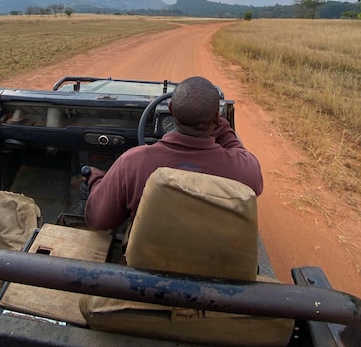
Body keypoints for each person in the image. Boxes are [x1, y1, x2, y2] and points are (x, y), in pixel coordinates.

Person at [84, 75, 263, 231]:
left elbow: (98, 220)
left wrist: (95, 180)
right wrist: (221, 125)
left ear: (170, 110)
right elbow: (236, 149)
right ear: (216, 118)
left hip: (148, 263)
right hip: (215, 263)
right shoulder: (245, 170)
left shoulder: (133, 163)